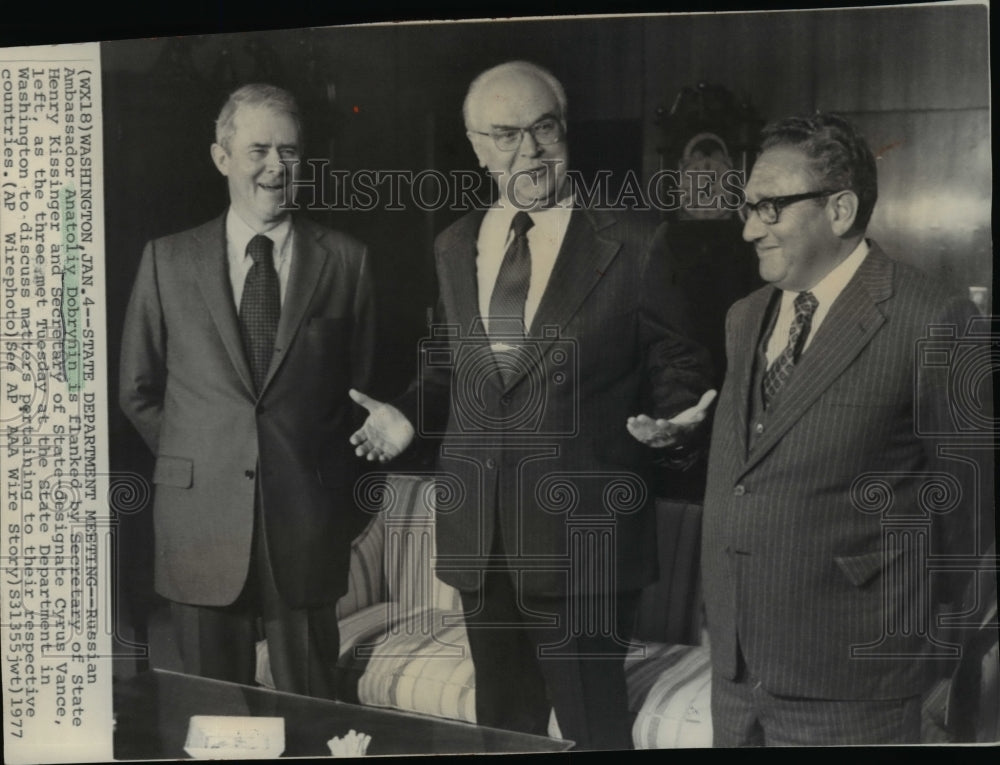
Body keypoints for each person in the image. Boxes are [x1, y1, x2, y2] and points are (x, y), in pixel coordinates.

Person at [348, 61, 714, 750]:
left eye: (544, 128)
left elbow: (679, 365)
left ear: (566, 131)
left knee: (594, 729)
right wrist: (405, 413)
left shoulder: (636, 241)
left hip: (585, 537)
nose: (531, 151)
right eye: (507, 135)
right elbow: (448, 366)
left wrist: (676, 424)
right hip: (480, 536)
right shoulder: (456, 244)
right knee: (503, 727)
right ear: (477, 145)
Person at [698, 113, 979, 746]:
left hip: (857, 683)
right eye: (747, 209)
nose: (748, 229)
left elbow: (971, 511)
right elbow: (759, 464)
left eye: (768, 208)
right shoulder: (744, 318)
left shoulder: (932, 318)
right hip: (737, 673)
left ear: (840, 208)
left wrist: (935, 667)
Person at [119, 83, 374, 698]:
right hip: (200, 523)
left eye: (290, 151)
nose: (275, 166)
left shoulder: (348, 260)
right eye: (258, 148)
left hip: (308, 523)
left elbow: (364, 396)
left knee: (313, 712)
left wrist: (334, 487)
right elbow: (137, 390)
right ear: (221, 157)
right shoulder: (166, 260)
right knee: (217, 720)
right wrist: (206, 458)